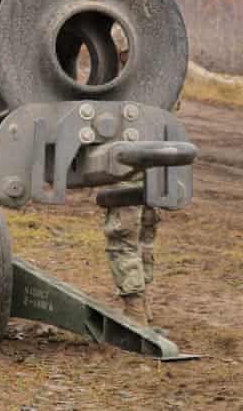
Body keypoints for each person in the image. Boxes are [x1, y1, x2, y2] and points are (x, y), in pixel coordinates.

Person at [103, 24, 162, 325]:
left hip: (129, 167)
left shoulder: (118, 81)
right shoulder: (161, 75)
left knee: (123, 236)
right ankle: (143, 304)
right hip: (156, 166)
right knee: (145, 236)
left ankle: (135, 311)